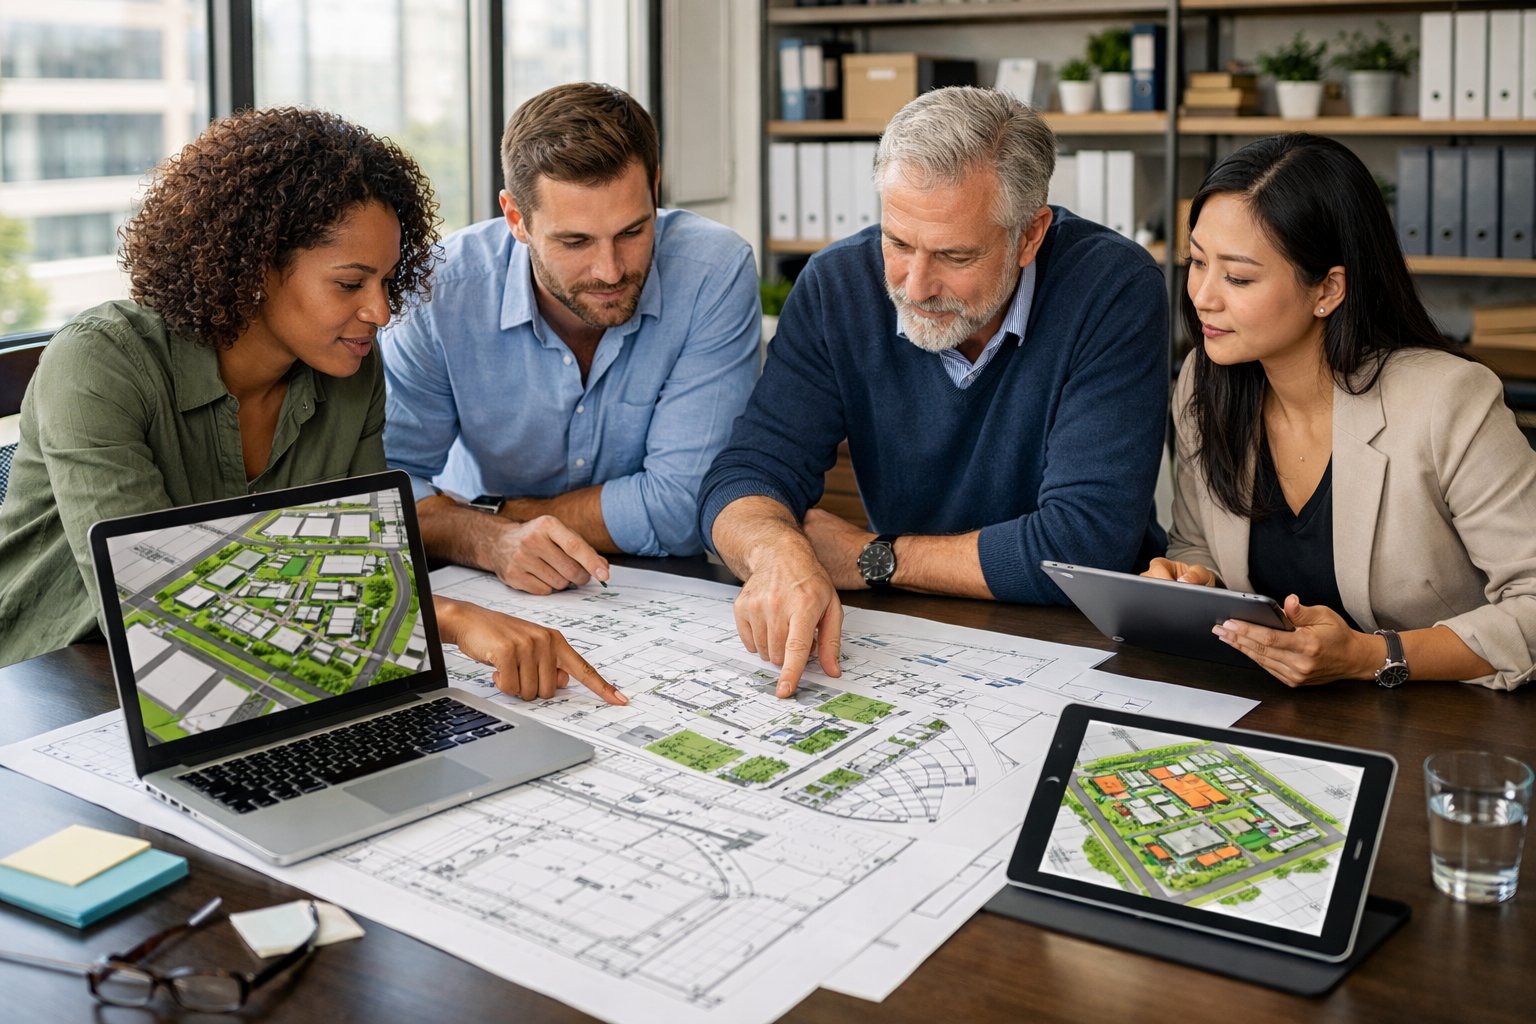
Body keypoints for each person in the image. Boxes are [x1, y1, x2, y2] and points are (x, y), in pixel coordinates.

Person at [0, 107, 624, 706]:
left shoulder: (350, 370)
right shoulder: (100, 362)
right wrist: (450, 618)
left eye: (386, 281)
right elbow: (157, 604)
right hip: (54, 694)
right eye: (350, 284)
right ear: (254, 267)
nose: (379, 312)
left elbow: (364, 571)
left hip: (263, 681)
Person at [698, 86, 1169, 697]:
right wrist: (776, 552)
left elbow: (1082, 548)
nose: (916, 285)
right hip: (917, 635)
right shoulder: (837, 284)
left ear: (1030, 236)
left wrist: (876, 559)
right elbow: (744, 475)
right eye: (897, 243)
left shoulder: (1114, 287)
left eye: (954, 254)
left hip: (1089, 646)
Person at [1145, 133, 1536, 691]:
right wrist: (1192, 579)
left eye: (1237, 277)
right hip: (1279, 716)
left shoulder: (1448, 400)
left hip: (1449, 725)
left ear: (1327, 288)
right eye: (1197, 262)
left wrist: (1368, 656)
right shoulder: (1203, 388)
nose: (1202, 295)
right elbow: (1197, 542)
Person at [380, 82, 759, 595]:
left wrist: (490, 520)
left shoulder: (714, 272)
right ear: (516, 218)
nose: (610, 270)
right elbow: (388, 490)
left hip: (660, 587)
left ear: (655, 185)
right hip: (485, 581)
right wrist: (489, 542)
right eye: (574, 241)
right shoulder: (440, 291)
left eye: (633, 231)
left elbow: (683, 504)